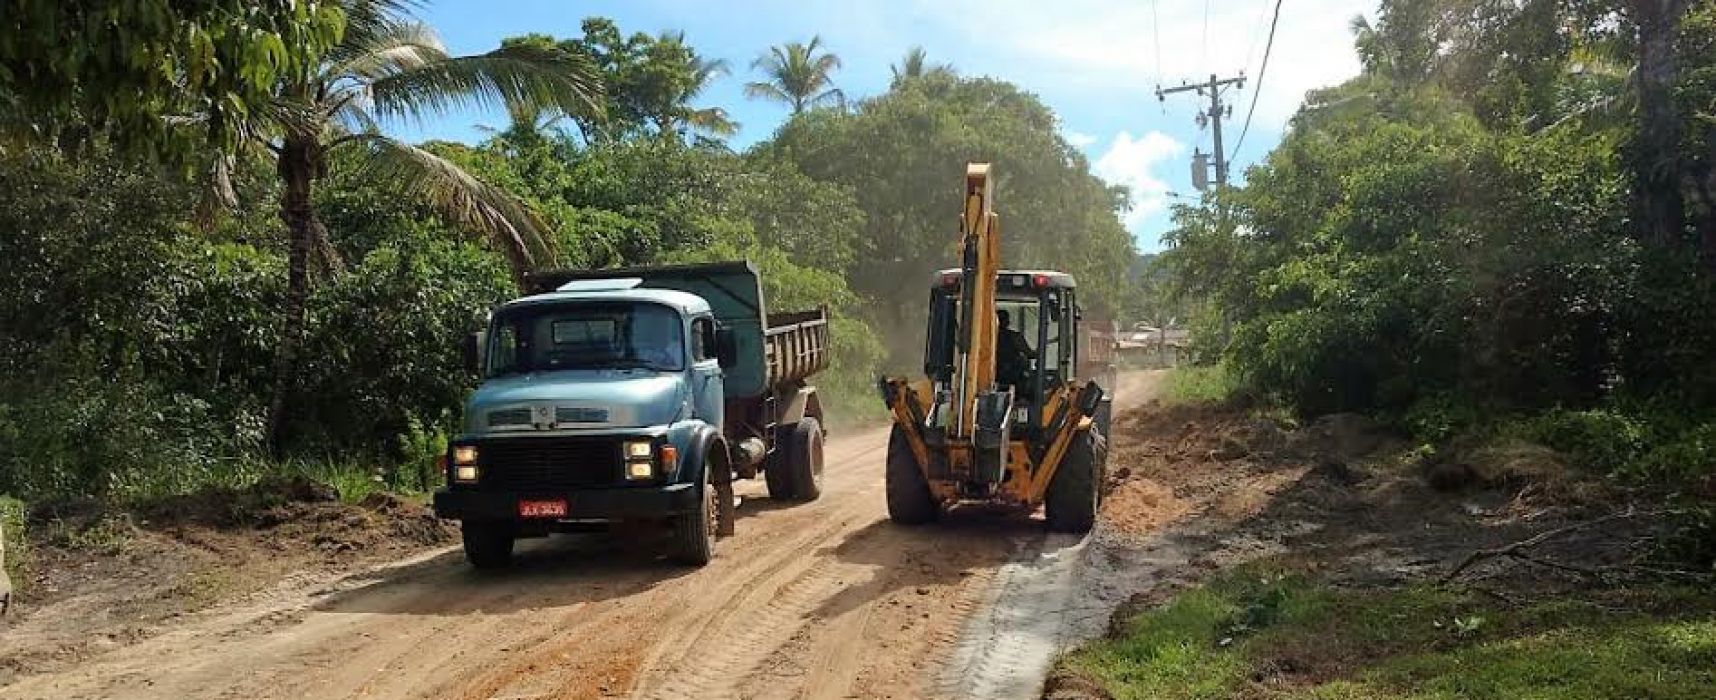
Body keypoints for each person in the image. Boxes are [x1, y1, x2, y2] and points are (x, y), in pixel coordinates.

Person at [997, 309, 1036, 390]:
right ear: (1007, 322)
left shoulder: (984, 337)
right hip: (1011, 378)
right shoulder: (1014, 337)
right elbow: (1030, 354)